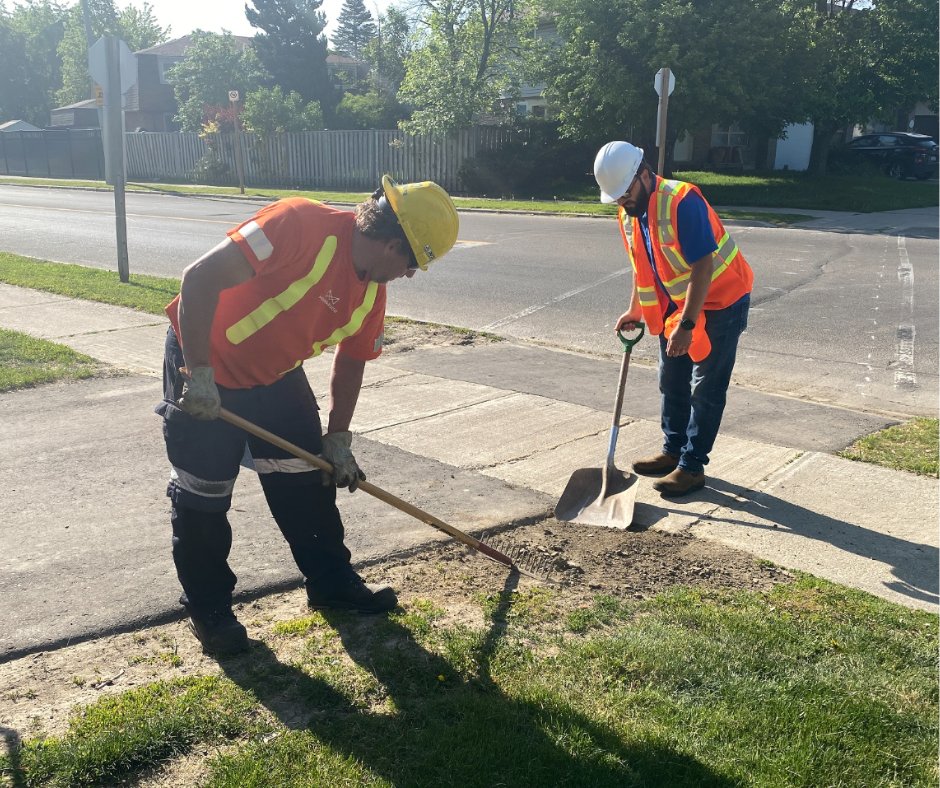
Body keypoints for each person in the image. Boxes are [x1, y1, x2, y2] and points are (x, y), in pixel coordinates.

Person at [155, 175, 460, 653]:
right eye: (413, 261)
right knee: (204, 495)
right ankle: (211, 611)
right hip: (202, 362)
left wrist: (338, 438)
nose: (411, 274)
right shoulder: (295, 223)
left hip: (274, 376)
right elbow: (198, 280)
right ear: (390, 243)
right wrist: (200, 373)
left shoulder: (371, 296)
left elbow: (353, 360)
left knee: (305, 476)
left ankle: (330, 581)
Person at [593, 141, 753, 497]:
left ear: (644, 174)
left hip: (721, 299)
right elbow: (643, 266)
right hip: (680, 305)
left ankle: (693, 467)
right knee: (671, 380)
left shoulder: (682, 201)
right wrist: (635, 308)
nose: (622, 202)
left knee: (706, 389)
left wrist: (688, 324)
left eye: (625, 193)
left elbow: (703, 266)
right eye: (616, 198)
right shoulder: (630, 214)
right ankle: (673, 449)